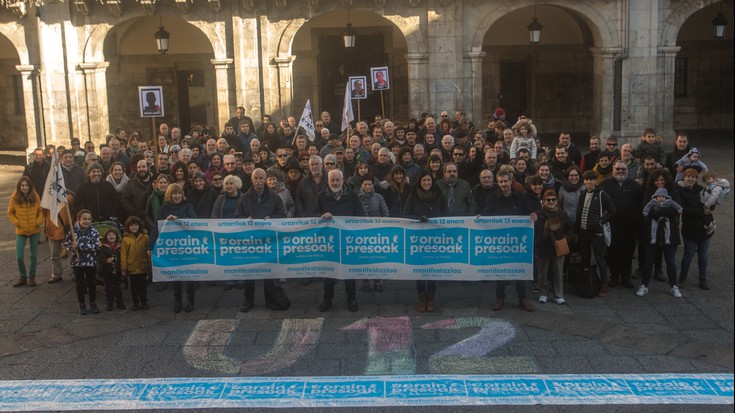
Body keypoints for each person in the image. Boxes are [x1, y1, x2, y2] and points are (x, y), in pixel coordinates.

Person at [484, 170, 536, 312]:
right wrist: (479, 218)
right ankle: (500, 298)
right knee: (500, 269)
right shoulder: (493, 198)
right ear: (497, 182)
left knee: (519, 269)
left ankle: (522, 298)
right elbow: (486, 216)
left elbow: (529, 213)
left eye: (505, 181)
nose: (503, 184)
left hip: (517, 241)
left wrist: (533, 216)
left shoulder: (521, 197)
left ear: (511, 181)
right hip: (500, 241)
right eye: (500, 182)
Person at [237, 169, 288, 312]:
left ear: (265, 179)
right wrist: (244, 220)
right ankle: (248, 300)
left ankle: (269, 299)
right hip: (251, 241)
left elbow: (282, 216)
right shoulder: (244, 198)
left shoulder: (274, 198)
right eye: (255, 178)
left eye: (261, 178)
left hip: (268, 240)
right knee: (249, 271)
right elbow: (237, 217)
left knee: (268, 271)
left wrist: (272, 220)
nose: (258, 181)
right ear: (252, 179)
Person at [314, 170, 362, 312]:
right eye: (332, 180)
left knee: (349, 271)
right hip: (330, 242)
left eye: (337, 180)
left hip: (348, 240)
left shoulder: (352, 196)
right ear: (328, 181)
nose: (335, 183)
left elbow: (360, 215)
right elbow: (313, 214)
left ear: (343, 180)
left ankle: (351, 298)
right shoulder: (321, 197)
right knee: (329, 271)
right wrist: (321, 216)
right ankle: (327, 298)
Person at [403, 169, 448, 312]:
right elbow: (406, 214)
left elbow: (446, 215)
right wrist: (418, 219)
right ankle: (422, 296)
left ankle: (432, 296)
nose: (427, 183)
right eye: (424, 181)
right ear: (419, 182)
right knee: (421, 268)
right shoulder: (413, 196)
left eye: (429, 180)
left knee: (433, 268)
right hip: (419, 239)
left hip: (435, 238)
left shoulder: (439, 195)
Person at [149, 184, 198, 312]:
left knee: (189, 275)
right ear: (169, 196)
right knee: (176, 275)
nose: (177, 196)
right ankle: (177, 300)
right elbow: (156, 228)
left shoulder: (188, 206)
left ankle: (191, 301)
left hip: (187, 246)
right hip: (172, 247)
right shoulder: (164, 209)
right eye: (174, 194)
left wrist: (178, 220)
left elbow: (194, 221)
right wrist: (151, 246)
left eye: (179, 194)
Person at [599, 160, 643, 289]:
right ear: (613, 170)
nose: (620, 171)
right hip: (611, 227)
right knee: (612, 252)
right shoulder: (604, 185)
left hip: (630, 227)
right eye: (618, 169)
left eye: (623, 169)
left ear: (627, 170)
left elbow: (640, 205)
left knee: (628, 253)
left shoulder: (635, 186)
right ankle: (614, 276)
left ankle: (626, 276)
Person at [575, 170, 616, 297]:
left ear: (595, 181)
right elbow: (579, 212)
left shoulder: (602, 194)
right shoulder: (582, 193)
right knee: (585, 257)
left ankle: (604, 284)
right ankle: (587, 281)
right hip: (583, 231)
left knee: (600, 258)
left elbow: (612, 210)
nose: (589, 182)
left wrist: (601, 222)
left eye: (591, 180)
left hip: (596, 232)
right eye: (586, 180)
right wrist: (577, 230)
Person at [535, 189, 573, 305]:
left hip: (557, 247)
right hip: (543, 247)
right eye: (548, 199)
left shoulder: (562, 214)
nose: (551, 201)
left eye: (553, 199)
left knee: (558, 272)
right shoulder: (538, 214)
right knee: (543, 273)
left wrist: (566, 239)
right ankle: (543, 293)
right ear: (543, 201)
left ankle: (558, 294)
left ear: (557, 201)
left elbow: (570, 227)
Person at [678, 168, 714, 290]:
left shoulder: (701, 189)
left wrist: (710, 208)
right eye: (688, 176)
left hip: (705, 228)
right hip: (690, 229)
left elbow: (710, 203)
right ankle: (682, 277)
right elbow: (683, 209)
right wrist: (701, 211)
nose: (690, 179)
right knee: (688, 255)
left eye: (693, 177)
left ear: (696, 178)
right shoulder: (680, 191)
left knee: (703, 256)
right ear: (684, 177)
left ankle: (703, 279)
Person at [8, 176, 44, 287]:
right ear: (19, 186)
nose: (25, 187)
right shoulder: (14, 197)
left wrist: (38, 222)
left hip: (34, 230)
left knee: (33, 255)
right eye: (22, 185)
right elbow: (10, 212)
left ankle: (31, 277)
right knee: (19, 256)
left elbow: (41, 211)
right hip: (21, 230)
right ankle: (22, 276)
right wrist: (17, 222)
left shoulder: (35, 196)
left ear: (30, 186)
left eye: (27, 185)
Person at [357, 175, 390, 292]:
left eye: (370, 184)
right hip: (363, 233)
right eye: (365, 184)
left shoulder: (379, 197)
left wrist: (384, 227)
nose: (368, 186)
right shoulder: (357, 198)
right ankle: (365, 280)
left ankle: (377, 280)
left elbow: (385, 212)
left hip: (378, 233)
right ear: (361, 185)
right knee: (365, 257)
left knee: (377, 258)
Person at [65, 209, 101, 315]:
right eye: (84, 219)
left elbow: (95, 246)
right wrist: (72, 247)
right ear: (79, 220)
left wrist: (80, 246)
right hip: (77, 263)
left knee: (92, 283)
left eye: (89, 219)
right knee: (79, 284)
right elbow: (66, 244)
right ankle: (81, 304)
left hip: (90, 262)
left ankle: (93, 302)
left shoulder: (94, 232)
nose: (87, 221)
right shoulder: (73, 232)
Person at [121, 216, 150, 311]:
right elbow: (123, 254)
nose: (134, 227)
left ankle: (144, 301)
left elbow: (149, 252)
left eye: (136, 225)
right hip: (131, 267)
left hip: (142, 265)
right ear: (128, 227)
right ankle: (135, 302)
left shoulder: (145, 237)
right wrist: (124, 268)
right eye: (131, 226)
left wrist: (150, 266)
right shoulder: (125, 239)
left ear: (139, 226)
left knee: (143, 286)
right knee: (134, 287)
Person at [98, 228, 126, 311]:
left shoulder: (119, 246)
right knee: (108, 288)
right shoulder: (103, 248)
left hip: (117, 270)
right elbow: (101, 259)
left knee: (118, 287)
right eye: (109, 235)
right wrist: (106, 260)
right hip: (107, 271)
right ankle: (110, 303)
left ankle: (120, 303)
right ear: (106, 237)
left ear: (116, 236)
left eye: (113, 234)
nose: (111, 236)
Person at [699, 170, 729, 234]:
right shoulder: (712, 185)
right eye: (706, 180)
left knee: (703, 214)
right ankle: (712, 221)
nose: (707, 181)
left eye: (709, 179)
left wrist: (707, 205)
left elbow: (714, 197)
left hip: (709, 204)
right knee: (707, 214)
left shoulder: (717, 187)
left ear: (715, 178)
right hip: (708, 203)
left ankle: (710, 225)